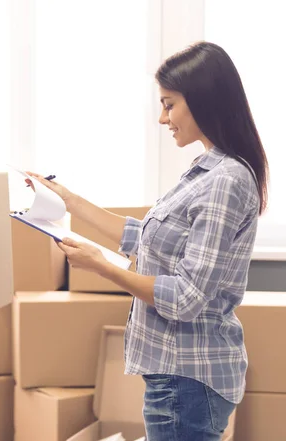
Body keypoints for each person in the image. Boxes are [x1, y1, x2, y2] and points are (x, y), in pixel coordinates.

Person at [28, 41, 268, 440]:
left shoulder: (225, 181)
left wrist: (100, 266)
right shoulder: (206, 171)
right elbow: (146, 236)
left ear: (203, 101)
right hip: (177, 376)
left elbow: (187, 297)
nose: (162, 118)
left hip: (187, 378)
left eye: (169, 104)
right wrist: (67, 200)